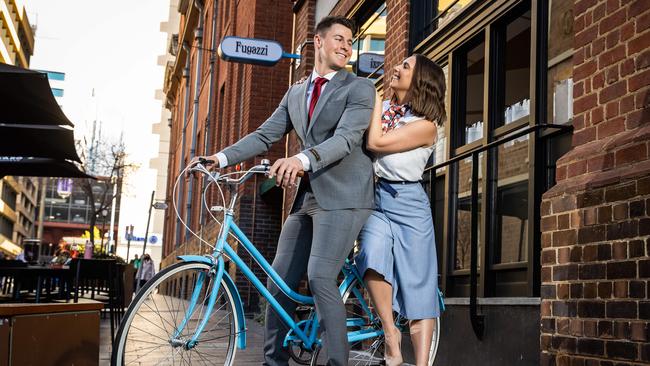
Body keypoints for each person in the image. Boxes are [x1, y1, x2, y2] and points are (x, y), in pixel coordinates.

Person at [190, 15, 376, 366]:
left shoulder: (359, 88)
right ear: (318, 42)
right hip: (307, 197)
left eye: (350, 41)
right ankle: (273, 362)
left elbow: (347, 139)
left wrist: (301, 160)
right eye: (339, 38)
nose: (346, 46)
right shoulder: (296, 92)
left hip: (345, 197)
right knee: (278, 284)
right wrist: (220, 157)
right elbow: (264, 135)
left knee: (321, 276)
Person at [355, 54, 445, 366]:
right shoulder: (392, 112)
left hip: (409, 205)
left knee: (419, 289)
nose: (396, 67)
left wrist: (374, 99)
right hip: (377, 199)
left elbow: (376, 143)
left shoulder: (425, 127)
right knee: (370, 253)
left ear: (420, 81)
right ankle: (391, 334)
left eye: (405, 66)